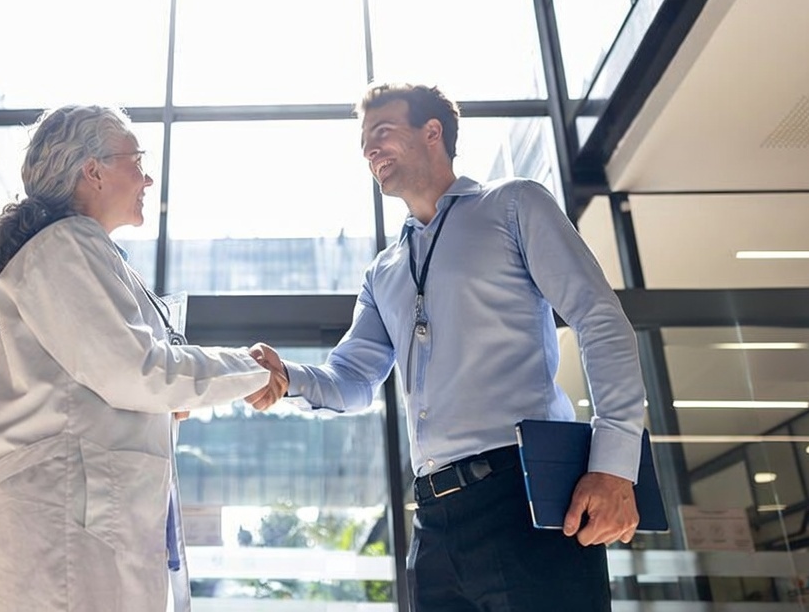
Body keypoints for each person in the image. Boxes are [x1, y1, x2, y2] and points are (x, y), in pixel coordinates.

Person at [249, 82, 645, 612]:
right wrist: (290, 376)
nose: (369, 150)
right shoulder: (383, 271)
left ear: (432, 132)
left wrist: (616, 463)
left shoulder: (513, 204)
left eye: (382, 132)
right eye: (363, 142)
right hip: (434, 519)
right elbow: (353, 380)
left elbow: (599, 319)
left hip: (522, 495)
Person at [0, 104, 286, 612]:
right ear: (93, 170)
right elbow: (138, 369)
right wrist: (248, 370)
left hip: (71, 521)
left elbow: (118, 376)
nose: (147, 176)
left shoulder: (81, 252)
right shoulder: (64, 247)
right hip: (57, 524)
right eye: (136, 159)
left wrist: (162, 401)